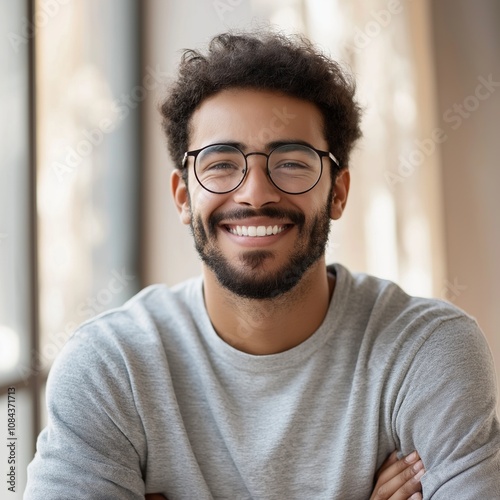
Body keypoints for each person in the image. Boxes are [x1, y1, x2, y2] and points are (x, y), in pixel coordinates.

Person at [25, 30, 499, 499]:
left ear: (337, 192)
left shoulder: (427, 351)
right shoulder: (109, 367)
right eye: (220, 163)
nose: (254, 193)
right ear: (183, 197)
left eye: (292, 162)